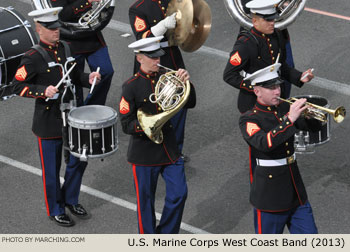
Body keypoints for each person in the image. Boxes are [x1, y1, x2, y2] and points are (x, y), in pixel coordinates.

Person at [11, 7, 101, 227]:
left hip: (72, 116)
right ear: (39, 29)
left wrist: (88, 78)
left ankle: (70, 198)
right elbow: (17, 86)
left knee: (79, 160)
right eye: (51, 29)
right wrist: (43, 92)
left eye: (57, 27)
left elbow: (74, 75)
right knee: (51, 170)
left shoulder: (66, 48)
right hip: (49, 121)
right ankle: (56, 209)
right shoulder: (32, 57)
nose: (56, 32)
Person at [119, 36, 196, 233]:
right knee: (145, 202)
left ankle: (167, 235)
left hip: (169, 148)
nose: (157, 61)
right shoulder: (131, 86)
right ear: (139, 58)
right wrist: (146, 125)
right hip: (144, 152)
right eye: (152, 58)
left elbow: (191, 102)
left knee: (179, 193)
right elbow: (126, 124)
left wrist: (187, 83)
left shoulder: (168, 76)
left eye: (158, 57)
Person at [239, 61, 320, 234]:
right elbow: (264, 143)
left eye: (278, 86)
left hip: (295, 189)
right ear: (257, 91)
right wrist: (289, 120)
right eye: (271, 88)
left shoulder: (285, 107)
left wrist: (315, 116)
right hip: (270, 195)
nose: (277, 91)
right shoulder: (249, 119)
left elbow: (309, 127)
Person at [223, 0, 314, 114]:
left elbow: (281, 67)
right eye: (268, 20)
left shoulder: (278, 36)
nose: (272, 23)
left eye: (273, 18)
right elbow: (229, 75)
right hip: (254, 105)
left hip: (276, 101)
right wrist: (257, 89)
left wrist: (300, 76)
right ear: (255, 21)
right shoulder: (245, 44)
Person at [129, 0, 189, 161]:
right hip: (151, 58)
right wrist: (162, 26)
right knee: (152, 102)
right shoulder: (138, 8)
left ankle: (175, 150)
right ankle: (153, 148)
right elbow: (141, 37)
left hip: (172, 55)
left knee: (180, 102)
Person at [50, 0, 114, 106]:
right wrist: (87, 1)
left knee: (106, 72)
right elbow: (62, 14)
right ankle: (77, 113)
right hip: (70, 37)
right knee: (75, 80)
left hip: (92, 35)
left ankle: (93, 106)